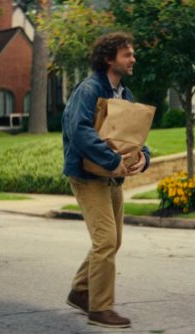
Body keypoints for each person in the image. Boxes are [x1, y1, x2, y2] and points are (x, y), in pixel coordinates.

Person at [61, 31, 151, 329]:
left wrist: (143, 156)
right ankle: (100, 308)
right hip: (87, 175)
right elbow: (79, 130)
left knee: (114, 241)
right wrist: (113, 160)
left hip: (111, 177)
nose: (133, 59)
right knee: (106, 241)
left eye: (132, 54)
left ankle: (80, 290)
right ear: (109, 59)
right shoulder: (89, 90)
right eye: (127, 54)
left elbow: (133, 134)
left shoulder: (123, 93)